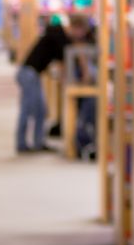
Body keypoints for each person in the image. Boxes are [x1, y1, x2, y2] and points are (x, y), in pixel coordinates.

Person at [16, 13, 93, 153]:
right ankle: (22, 144)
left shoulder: (59, 35)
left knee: (40, 110)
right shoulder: (60, 36)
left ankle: (37, 143)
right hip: (29, 73)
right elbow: (65, 62)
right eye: (81, 31)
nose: (81, 35)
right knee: (28, 110)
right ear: (77, 28)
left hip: (33, 74)